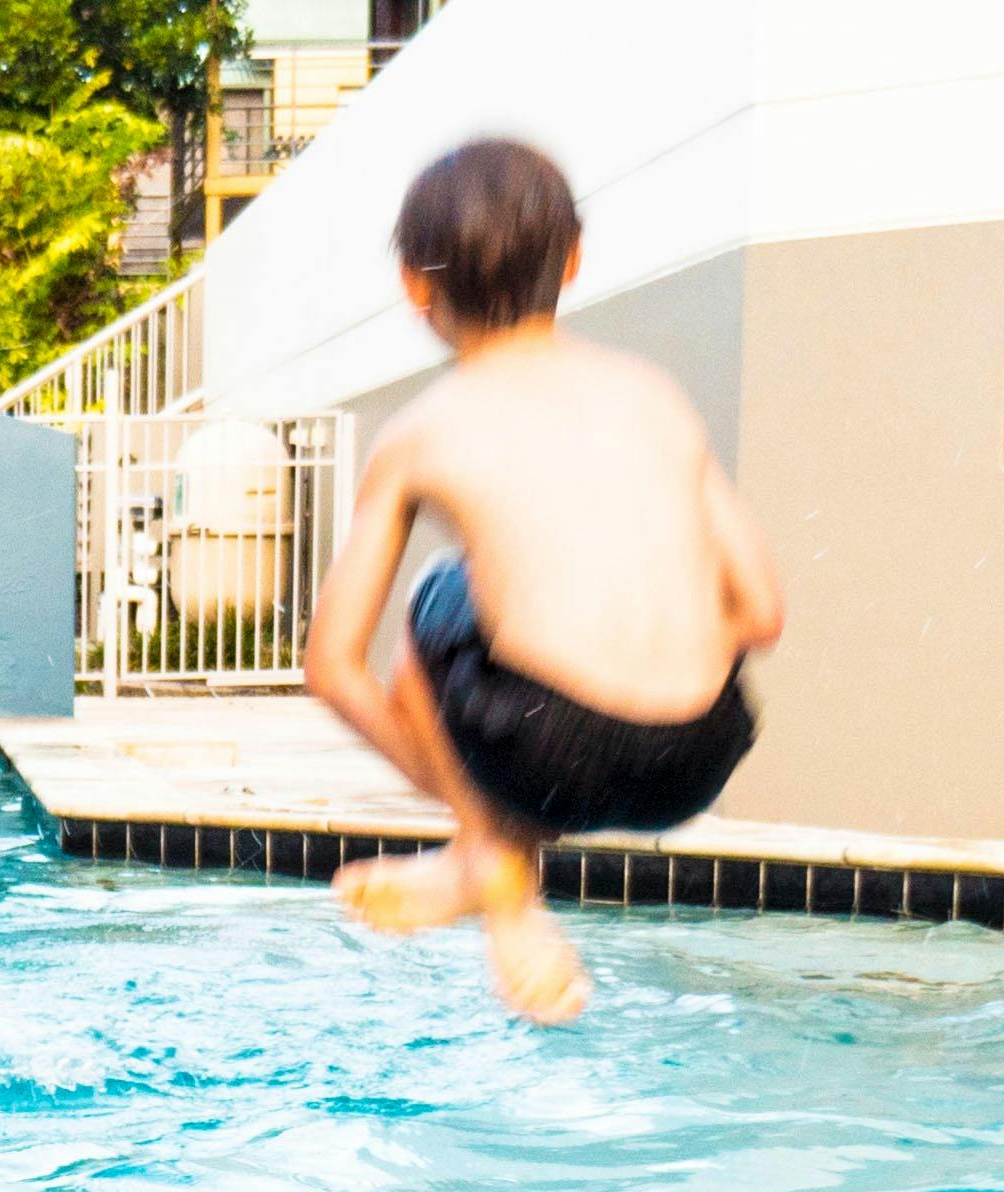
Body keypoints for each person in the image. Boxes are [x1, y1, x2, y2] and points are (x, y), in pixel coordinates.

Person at [302, 137, 787, 1025]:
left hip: (542, 753)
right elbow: (761, 612)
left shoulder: (421, 432)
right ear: (572, 260)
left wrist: (476, 791)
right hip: (699, 755)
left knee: (438, 597)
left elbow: (331, 665)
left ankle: (492, 868)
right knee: (485, 612)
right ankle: (485, 855)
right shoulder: (654, 395)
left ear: (415, 286)